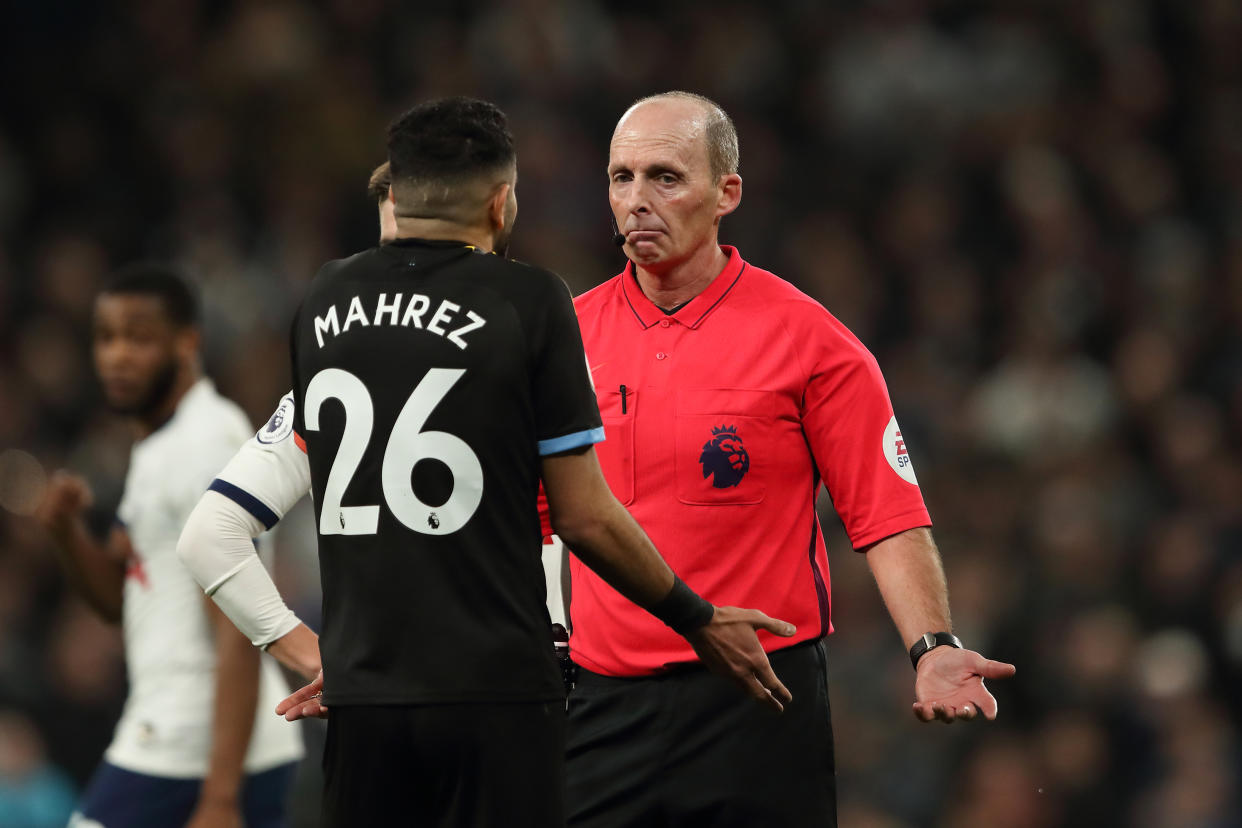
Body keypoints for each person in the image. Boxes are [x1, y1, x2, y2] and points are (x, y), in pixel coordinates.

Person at [178, 96, 794, 828]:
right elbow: (582, 517)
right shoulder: (528, 304)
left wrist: (316, 655)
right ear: (502, 205)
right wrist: (695, 617)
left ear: (396, 200)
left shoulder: (324, 300)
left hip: (367, 701)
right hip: (498, 693)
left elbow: (208, 534)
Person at [554, 91, 1018, 827]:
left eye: (665, 177)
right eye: (622, 178)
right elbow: (521, 527)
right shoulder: (561, 340)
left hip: (760, 701)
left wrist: (932, 645)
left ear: (726, 192)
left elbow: (888, 513)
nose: (637, 200)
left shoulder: (811, 342)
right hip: (600, 706)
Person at [34, 264, 303, 828]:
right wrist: (66, 534)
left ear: (187, 343)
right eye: (106, 338)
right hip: (201, 738)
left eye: (138, 337)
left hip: (193, 741)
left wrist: (221, 796)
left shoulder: (205, 440)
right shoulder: (163, 442)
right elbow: (117, 598)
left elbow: (235, 626)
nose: (117, 356)